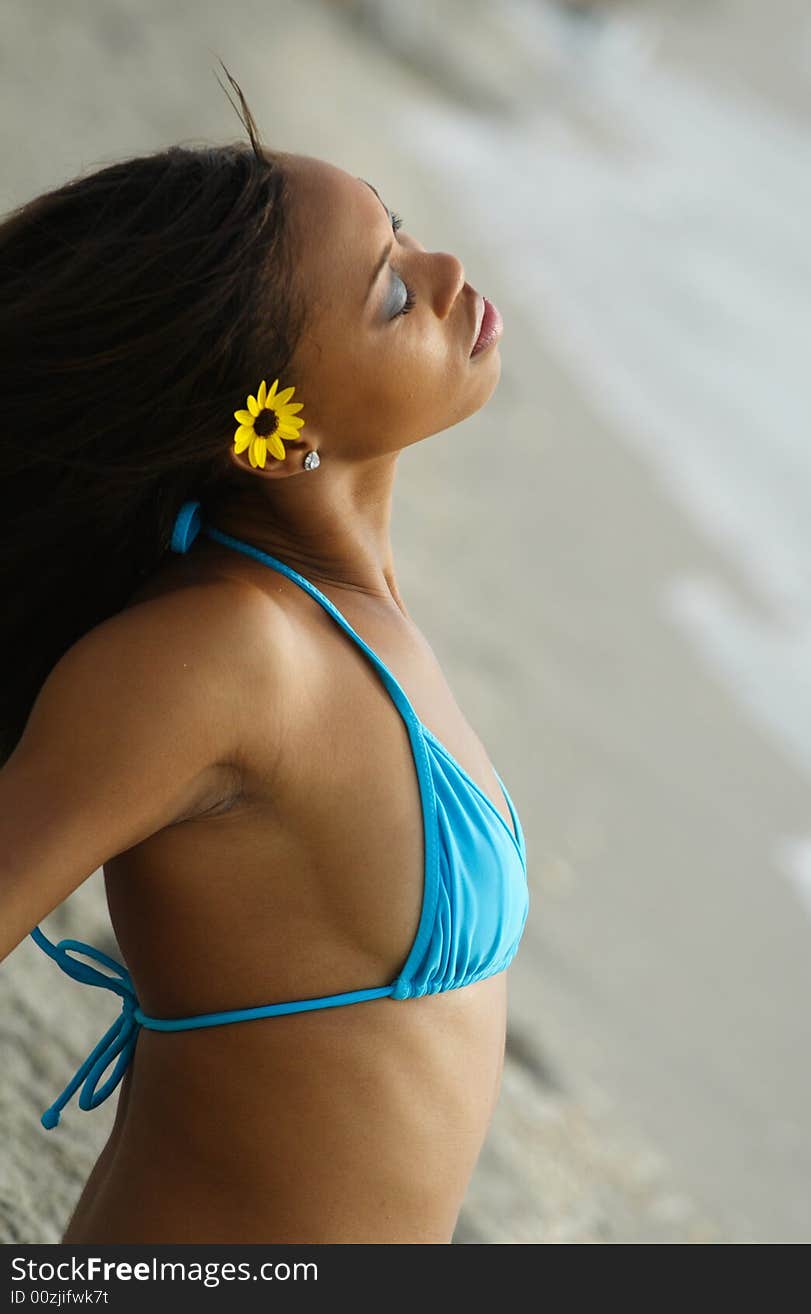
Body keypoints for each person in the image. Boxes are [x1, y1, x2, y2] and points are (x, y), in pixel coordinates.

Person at [0, 80, 529, 1244]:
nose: (443, 274)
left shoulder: (354, 620)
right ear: (277, 433)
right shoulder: (222, 655)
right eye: (392, 294)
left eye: (399, 231)